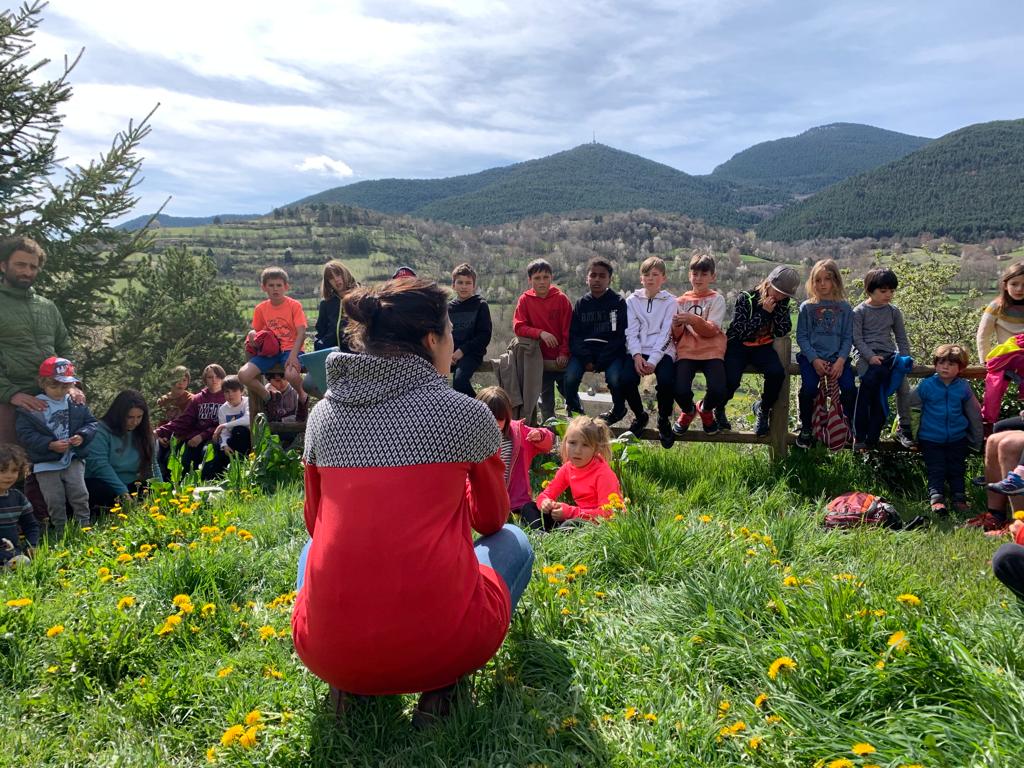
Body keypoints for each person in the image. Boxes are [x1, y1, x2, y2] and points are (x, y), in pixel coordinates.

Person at [292, 278, 533, 727]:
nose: (453, 343)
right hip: (444, 645)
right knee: (515, 541)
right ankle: (443, 686)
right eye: (450, 332)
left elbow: (314, 522)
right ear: (430, 340)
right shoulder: (466, 414)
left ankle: (350, 684)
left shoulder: (323, 415)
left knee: (312, 549)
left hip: (327, 652)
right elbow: (490, 519)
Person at [0, 236, 76, 445]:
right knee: (11, 461)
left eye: (33, 267)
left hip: (52, 397)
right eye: (20, 264)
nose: (27, 271)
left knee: (59, 457)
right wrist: (11, 394)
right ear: (3, 265)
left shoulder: (47, 306)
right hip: (9, 403)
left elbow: (65, 348)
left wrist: (71, 384)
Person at [15, 357, 97, 538]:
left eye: (65, 386)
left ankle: (84, 526)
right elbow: (25, 434)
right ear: (42, 383)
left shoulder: (75, 402)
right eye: (55, 386)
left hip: (73, 457)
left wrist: (82, 436)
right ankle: (61, 530)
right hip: (45, 462)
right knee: (54, 499)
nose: (60, 391)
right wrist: (49, 444)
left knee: (80, 493)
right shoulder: (33, 406)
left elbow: (91, 423)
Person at [564, 257, 644, 432]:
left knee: (615, 379)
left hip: (611, 352)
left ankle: (619, 408)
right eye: (593, 275)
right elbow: (574, 336)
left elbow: (620, 336)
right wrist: (586, 359)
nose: (597, 279)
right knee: (570, 377)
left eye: (602, 276)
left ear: (609, 279)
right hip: (585, 352)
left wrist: (601, 361)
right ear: (587, 278)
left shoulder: (618, 302)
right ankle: (576, 411)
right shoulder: (581, 304)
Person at [722, 265, 798, 437]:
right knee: (731, 380)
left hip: (762, 347)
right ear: (768, 283)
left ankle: (763, 409)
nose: (779, 296)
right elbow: (741, 332)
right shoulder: (746, 298)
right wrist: (763, 313)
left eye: (784, 295)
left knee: (777, 373)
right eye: (778, 291)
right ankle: (719, 408)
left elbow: (783, 330)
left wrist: (777, 311)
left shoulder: (782, 303)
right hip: (738, 346)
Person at [907, 344, 983, 517]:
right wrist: (911, 434)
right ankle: (936, 500)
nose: (945, 367)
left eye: (951, 364)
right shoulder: (927, 385)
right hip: (930, 437)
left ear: (960, 368)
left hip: (957, 437)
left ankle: (959, 499)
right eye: (941, 363)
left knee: (957, 468)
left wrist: (976, 439)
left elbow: (974, 413)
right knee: (936, 469)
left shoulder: (963, 387)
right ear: (935, 364)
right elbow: (912, 407)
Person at [795, 259, 856, 449]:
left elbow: (848, 337)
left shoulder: (845, 308)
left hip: (838, 359)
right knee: (808, 389)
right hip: (812, 358)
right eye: (818, 280)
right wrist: (814, 359)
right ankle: (806, 427)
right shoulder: (807, 307)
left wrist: (841, 361)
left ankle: (848, 426)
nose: (822, 284)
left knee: (849, 389)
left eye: (827, 279)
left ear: (835, 280)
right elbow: (802, 336)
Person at [523, 415, 623, 531]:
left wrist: (570, 512)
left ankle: (553, 534)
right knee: (529, 507)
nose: (577, 450)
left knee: (570, 524)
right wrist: (545, 503)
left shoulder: (603, 474)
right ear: (565, 443)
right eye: (572, 443)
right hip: (576, 516)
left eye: (585, 445)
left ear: (596, 449)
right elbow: (547, 494)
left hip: (597, 523)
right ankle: (541, 535)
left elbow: (609, 514)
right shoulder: (568, 468)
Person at [851, 268, 914, 450]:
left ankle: (904, 427)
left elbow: (901, 338)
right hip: (865, 356)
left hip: (889, 356)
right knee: (869, 392)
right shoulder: (859, 311)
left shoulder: (894, 312)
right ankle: (863, 435)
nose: (889, 295)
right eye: (883, 291)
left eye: (892, 291)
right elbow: (856, 339)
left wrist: (905, 359)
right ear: (870, 290)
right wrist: (870, 356)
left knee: (903, 388)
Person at [476, 386, 554, 522]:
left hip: (518, 501)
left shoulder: (518, 433)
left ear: (507, 417)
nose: (494, 423)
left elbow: (548, 443)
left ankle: (540, 530)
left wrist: (540, 435)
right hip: (487, 501)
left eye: (500, 419)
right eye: (489, 418)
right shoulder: (474, 438)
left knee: (531, 512)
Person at [623, 256, 677, 448]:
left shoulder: (671, 302)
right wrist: (636, 355)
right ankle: (640, 416)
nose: (650, 278)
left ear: (664, 278)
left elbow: (666, 334)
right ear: (641, 278)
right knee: (626, 379)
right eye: (646, 274)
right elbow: (631, 331)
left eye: (655, 274)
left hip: (663, 351)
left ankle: (663, 420)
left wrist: (653, 360)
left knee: (667, 381)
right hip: (639, 349)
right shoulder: (632, 301)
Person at [671, 253, 727, 437]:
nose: (698, 278)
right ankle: (688, 411)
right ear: (689, 276)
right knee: (679, 389)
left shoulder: (717, 299)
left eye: (704, 274)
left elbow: (711, 330)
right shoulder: (679, 301)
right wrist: (677, 326)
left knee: (718, 390)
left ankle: (705, 408)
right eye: (695, 274)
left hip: (712, 351)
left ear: (713, 277)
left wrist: (693, 320)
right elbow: (677, 336)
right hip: (687, 351)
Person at [512, 259, 573, 421]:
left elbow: (568, 330)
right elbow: (518, 327)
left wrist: (564, 353)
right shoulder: (525, 300)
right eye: (537, 278)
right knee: (546, 405)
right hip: (538, 361)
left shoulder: (561, 299)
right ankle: (549, 435)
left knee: (571, 398)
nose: (542, 282)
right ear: (529, 280)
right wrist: (540, 333)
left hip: (562, 360)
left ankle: (580, 433)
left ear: (551, 278)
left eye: (546, 277)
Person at [238, 267, 308, 404]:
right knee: (243, 375)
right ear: (264, 287)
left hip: (291, 349)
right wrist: (252, 334)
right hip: (270, 351)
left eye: (279, 285)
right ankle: (270, 399)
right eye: (271, 285)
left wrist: (293, 356)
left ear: (286, 287)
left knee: (291, 374)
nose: (275, 289)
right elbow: (258, 333)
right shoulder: (260, 309)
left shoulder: (294, 306)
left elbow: (302, 332)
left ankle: (302, 396)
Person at [83, 390, 161, 510]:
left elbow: (153, 465)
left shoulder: (145, 432)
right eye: (130, 417)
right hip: (105, 483)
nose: (135, 422)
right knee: (101, 492)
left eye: (139, 417)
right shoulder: (100, 430)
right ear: (118, 415)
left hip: (131, 483)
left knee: (149, 490)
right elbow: (100, 466)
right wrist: (124, 494)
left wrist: (162, 492)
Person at [155, 364, 226, 477]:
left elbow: (225, 423)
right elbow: (184, 420)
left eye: (217, 376)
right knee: (183, 459)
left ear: (223, 378)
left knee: (207, 455)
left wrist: (202, 436)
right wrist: (160, 432)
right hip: (194, 438)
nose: (214, 380)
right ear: (205, 379)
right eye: (210, 377)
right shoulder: (198, 399)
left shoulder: (227, 397)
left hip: (217, 438)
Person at [976, 261, 1024, 425]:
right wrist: (985, 360)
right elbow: (983, 335)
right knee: (994, 389)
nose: (1019, 289)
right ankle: (988, 422)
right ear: (1005, 285)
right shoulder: (996, 306)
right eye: (1014, 284)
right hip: (1005, 357)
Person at [448, 263, 492, 397]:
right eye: (460, 282)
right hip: (450, 355)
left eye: (468, 283)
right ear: (453, 285)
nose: (464, 286)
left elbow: (484, 336)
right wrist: (448, 354)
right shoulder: (448, 308)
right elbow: (444, 335)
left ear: (474, 286)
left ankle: (480, 406)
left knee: (459, 381)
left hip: (471, 354)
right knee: (432, 379)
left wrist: (462, 351)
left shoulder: (480, 305)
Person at [0, 443, 38, 567]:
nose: (9, 476)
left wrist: (32, 545)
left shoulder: (18, 497)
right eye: (2, 470)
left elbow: (31, 525)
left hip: (11, 553)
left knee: (23, 561)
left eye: (14, 470)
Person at [155, 366, 192, 478]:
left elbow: (190, 423)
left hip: (181, 438)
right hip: (163, 438)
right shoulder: (163, 400)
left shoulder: (191, 399)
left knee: (170, 459)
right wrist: (160, 438)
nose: (180, 383)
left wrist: (178, 439)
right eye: (177, 379)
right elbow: (159, 421)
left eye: (184, 380)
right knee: (156, 456)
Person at [313, 260, 357, 352]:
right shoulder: (326, 303)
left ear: (345, 274)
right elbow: (321, 330)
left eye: (338, 274)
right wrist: (319, 345)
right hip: (332, 354)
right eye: (331, 278)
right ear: (328, 282)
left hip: (357, 352)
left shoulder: (361, 297)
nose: (336, 279)